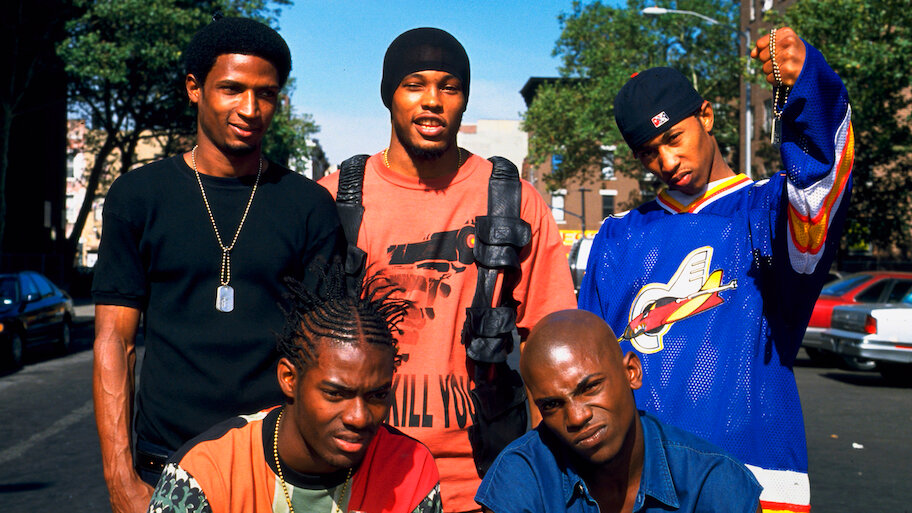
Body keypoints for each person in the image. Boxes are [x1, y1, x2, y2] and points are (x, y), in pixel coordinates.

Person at [578, 27, 852, 513]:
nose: (666, 161)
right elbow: (586, 366)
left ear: (706, 116)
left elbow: (820, 181)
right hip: (634, 482)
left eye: (673, 138)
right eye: (648, 153)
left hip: (753, 476)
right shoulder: (618, 236)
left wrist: (807, 87)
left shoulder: (769, 212)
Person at [319, 27, 576, 512]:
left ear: (463, 100)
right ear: (389, 95)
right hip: (357, 479)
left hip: (483, 483)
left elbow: (551, 342)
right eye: (414, 84)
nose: (433, 100)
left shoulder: (515, 202)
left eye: (449, 87)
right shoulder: (334, 200)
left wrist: (545, 475)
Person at [92, 17, 342, 513]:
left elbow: (324, 350)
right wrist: (120, 478)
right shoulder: (139, 196)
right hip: (166, 464)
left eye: (266, 94)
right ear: (194, 88)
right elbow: (114, 342)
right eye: (232, 89)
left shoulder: (309, 206)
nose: (250, 109)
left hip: (276, 468)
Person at [147, 263, 442, 513]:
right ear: (289, 378)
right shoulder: (205, 473)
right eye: (336, 394)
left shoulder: (409, 468)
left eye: (377, 395)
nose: (359, 417)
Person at [475, 309, 761, 513]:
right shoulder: (521, 477)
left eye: (590, 388)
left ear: (631, 372)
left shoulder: (713, 483)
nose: (577, 417)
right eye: (552, 405)